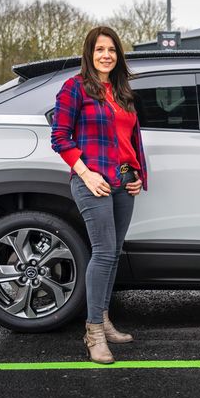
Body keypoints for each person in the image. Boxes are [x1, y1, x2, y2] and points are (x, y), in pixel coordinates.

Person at [50, 26, 147, 364]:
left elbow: (130, 140)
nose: (106, 55)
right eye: (100, 49)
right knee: (104, 253)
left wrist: (137, 175)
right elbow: (60, 137)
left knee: (114, 253)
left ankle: (104, 320)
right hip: (93, 181)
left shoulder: (121, 92)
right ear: (89, 53)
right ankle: (93, 332)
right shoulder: (74, 89)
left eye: (112, 50)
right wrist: (86, 173)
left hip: (122, 182)